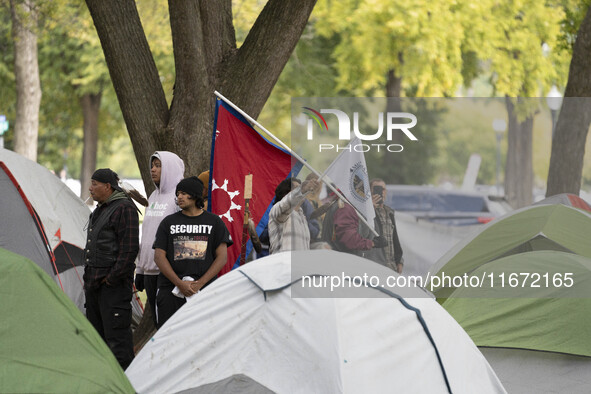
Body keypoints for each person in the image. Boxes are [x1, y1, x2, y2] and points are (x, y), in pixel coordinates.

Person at [153, 176, 232, 327]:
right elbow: (159, 256)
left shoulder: (215, 222)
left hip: (205, 292)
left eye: (183, 193)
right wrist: (179, 283)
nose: (179, 197)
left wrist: (200, 284)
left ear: (195, 195)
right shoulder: (168, 223)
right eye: (178, 194)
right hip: (171, 291)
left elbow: (222, 258)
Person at [83, 168, 139, 370]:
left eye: (95, 184)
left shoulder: (125, 208)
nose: (90, 188)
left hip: (113, 290)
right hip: (95, 287)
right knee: (97, 342)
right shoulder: (101, 208)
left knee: (118, 347)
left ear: (107, 186)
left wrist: (111, 280)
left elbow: (129, 250)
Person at [135, 151, 185, 326]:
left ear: (170, 168)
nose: (153, 170)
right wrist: (140, 270)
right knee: (158, 323)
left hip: (168, 272)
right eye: (152, 165)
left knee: (169, 324)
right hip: (149, 270)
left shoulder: (178, 198)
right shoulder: (153, 196)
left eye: (158, 165)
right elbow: (146, 233)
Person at [268, 177, 319, 254]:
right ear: (286, 194)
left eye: (300, 188)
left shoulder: (302, 216)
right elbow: (285, 204)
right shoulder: (278, 210)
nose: (300, 191)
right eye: (296, 188)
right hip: (283, 264)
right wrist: (302, 189)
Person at [370, 179, 404, 273]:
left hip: (391, 266)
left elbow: (394, 238)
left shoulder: (389, 212)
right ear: (370, 191)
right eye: (377, 189)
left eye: (383, 189)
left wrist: (399, 260)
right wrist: (370, 208)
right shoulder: (366, 212)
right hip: (376, 266)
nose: (381, 192)